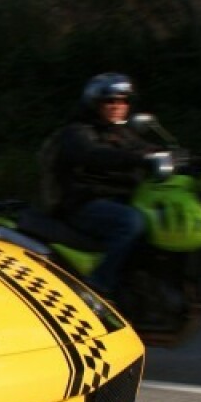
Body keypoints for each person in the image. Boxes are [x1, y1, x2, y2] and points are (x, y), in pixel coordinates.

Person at [36, 72, 165, 296]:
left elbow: (145, 149)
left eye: (123, 100)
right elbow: (94, 154)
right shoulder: (77, 132)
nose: (118, 105)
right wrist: (140, 159)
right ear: (95, 103)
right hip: (83, 204)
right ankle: (98, 286)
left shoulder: (121, 132)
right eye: (110, 101)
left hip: (117, 199)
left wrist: (181, 157)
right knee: (130, 222)